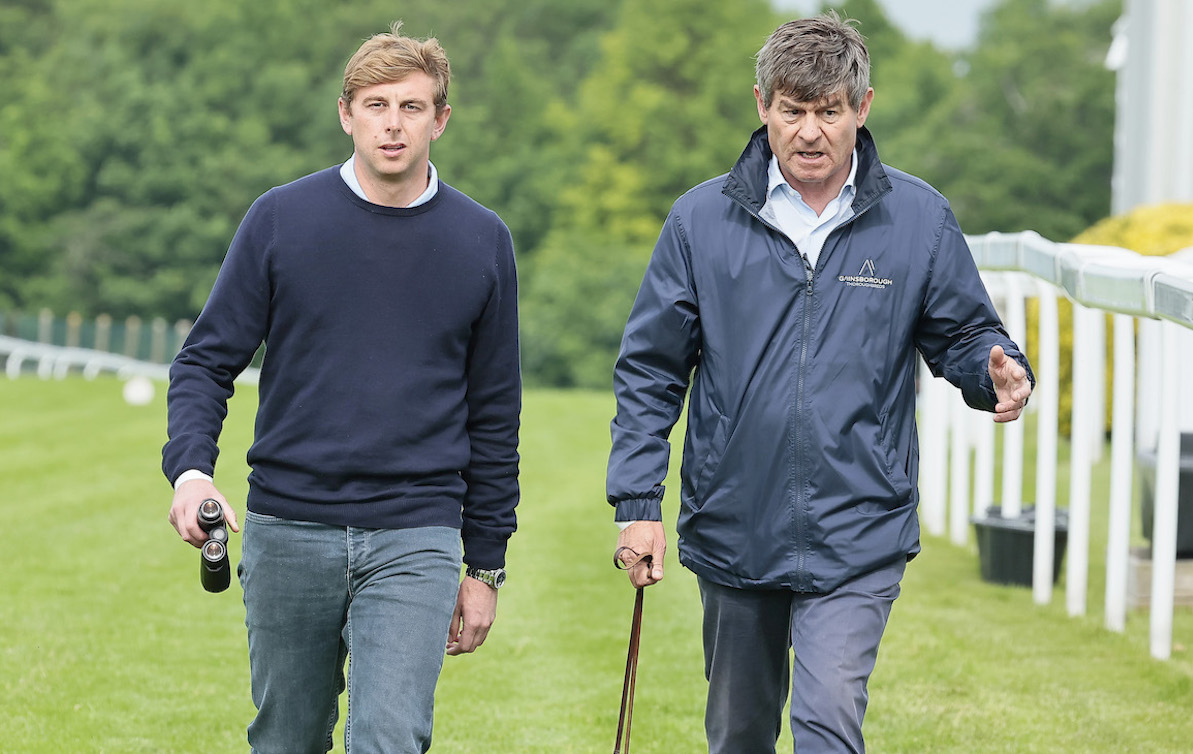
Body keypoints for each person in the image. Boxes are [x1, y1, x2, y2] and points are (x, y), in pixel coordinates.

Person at [607, 12, 1033, 754]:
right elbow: (650, 370)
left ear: (861, 110)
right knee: (740, 735)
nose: (810, 132)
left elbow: (965, 334)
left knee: (828, 723)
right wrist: (639, 502)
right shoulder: (699, 220)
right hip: (734, 523)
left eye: (828, 111)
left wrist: (993, 368)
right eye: (793, 110)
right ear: (761, 104)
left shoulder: (920, 219)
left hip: (859, 526)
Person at [163, 21, 520, 754]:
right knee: (287, 739)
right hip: (289, 527)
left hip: (415, 532)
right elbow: (205, 360)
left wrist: (484, 564)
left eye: (413, 107)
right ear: (346, 113)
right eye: (377, 104)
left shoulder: (482, 241)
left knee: (390, 738)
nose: (393, 124)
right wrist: (190, 469)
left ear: (440, 120)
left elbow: (495, 414)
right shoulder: (280, 220)